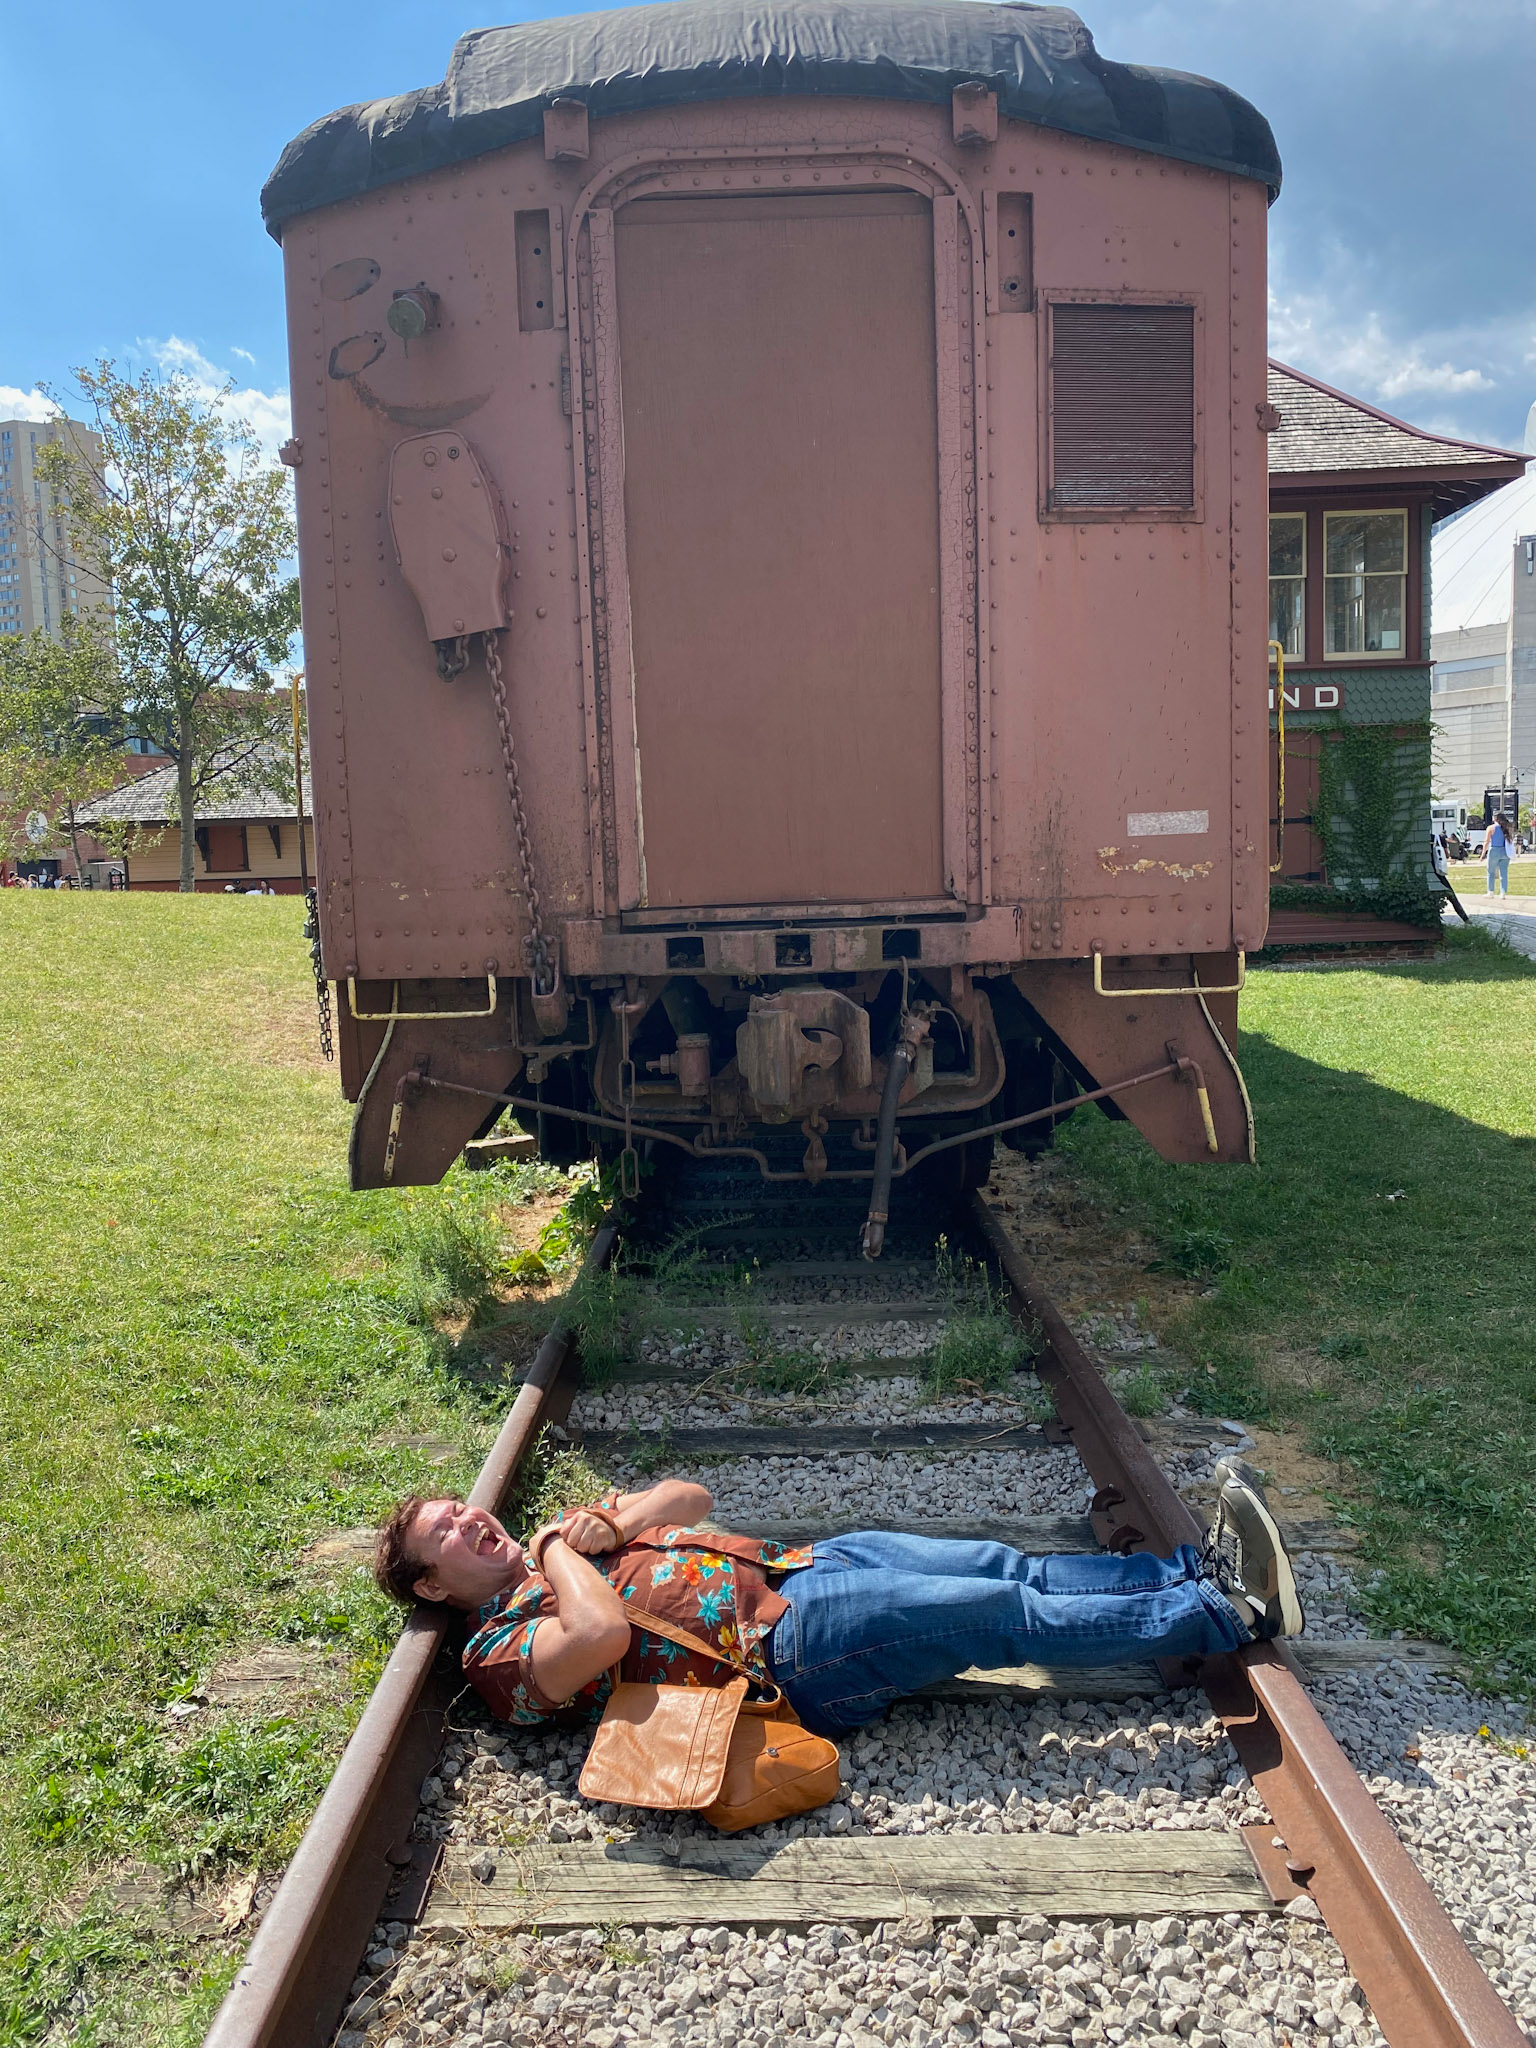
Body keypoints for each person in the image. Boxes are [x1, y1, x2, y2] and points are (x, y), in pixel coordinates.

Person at [374, 1464, 1303, 1736]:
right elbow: (603, 1635)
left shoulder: (568, 1547)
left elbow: (691, 1498)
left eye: (466, 1510)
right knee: (996, 1617)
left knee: (1002, 1566)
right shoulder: (496, 1652)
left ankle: (1189, 1575)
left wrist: (623, 1522)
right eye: (448, 1535)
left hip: (803, 1568)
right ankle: (1231, 1614)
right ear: (431, 1586)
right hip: (787, 1657)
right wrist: (550, 1546)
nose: (474, 1522)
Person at [1487, 813, 1514, 900]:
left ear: (1495, 819)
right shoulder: (1508, 828)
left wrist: (1483, 853)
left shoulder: (1491, 828)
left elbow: (1486, 841)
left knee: (1491, 872)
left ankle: (1491, 891)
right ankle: (1503, 893)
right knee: (1504, 872)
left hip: (1494, 850)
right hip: (1505, 851)